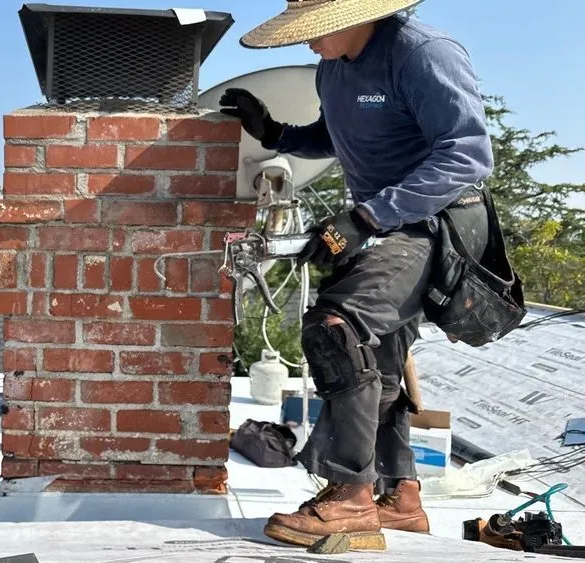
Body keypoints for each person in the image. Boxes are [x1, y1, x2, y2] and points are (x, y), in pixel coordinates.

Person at [221, 0, 494, 547]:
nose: (307, 42)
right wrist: (275, 133)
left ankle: (349, 494)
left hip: (435, 224)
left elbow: (467, 154)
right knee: (380, 357)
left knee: (334, 327)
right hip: (384, 225)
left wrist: (366, 217)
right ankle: (401, 498)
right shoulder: (333, 68)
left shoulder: (421, 55)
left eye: (316, 30)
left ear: (354, 17)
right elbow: (336, 134)